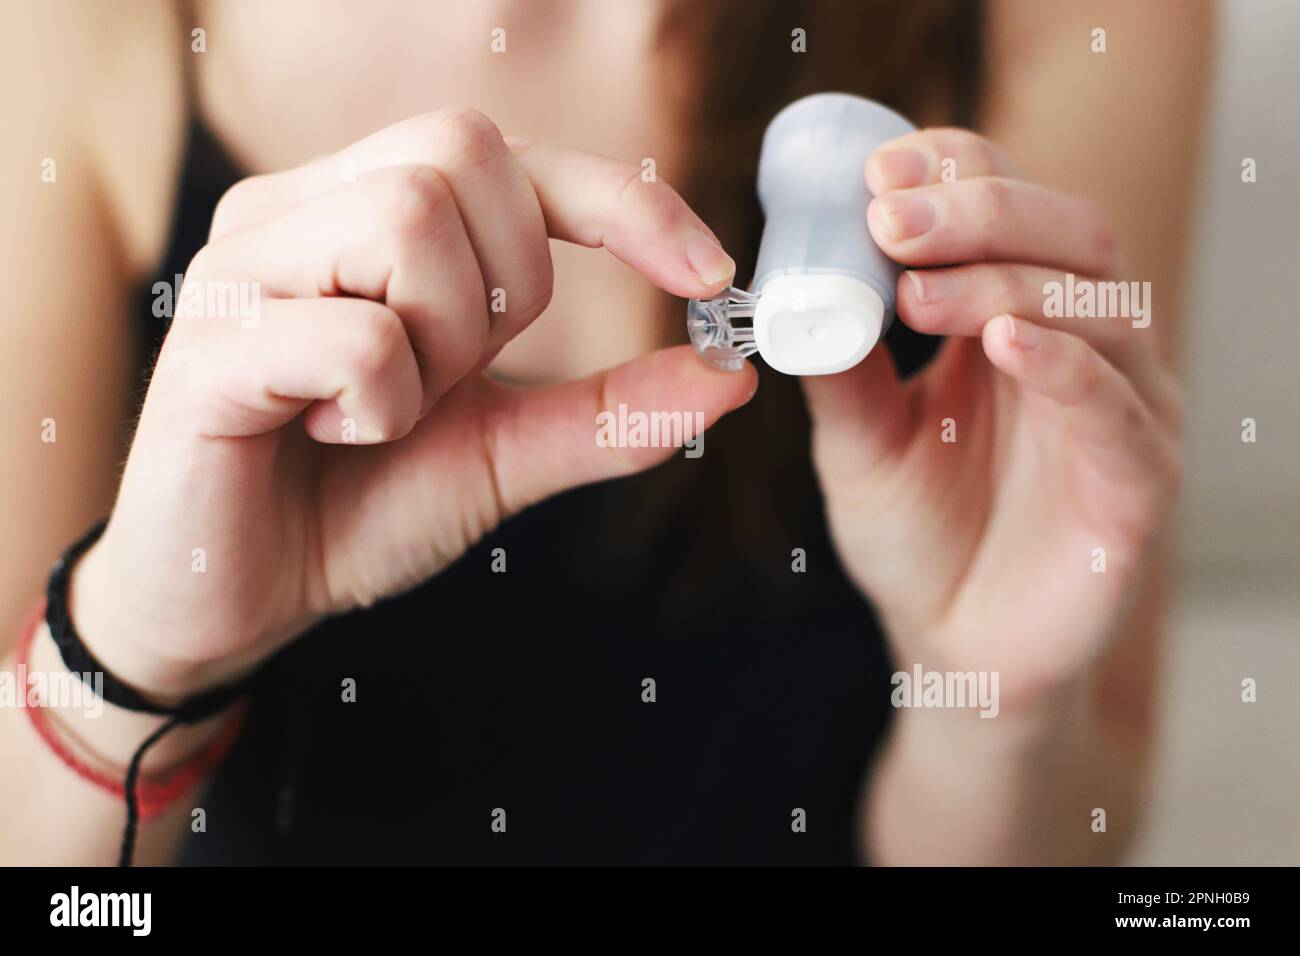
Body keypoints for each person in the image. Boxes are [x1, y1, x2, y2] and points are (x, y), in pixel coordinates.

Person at [0, 0, 1210, 865]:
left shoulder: (1078, 18)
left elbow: (1081, 832)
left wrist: (986, 708)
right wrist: (142, 655)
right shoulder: (78, 30)